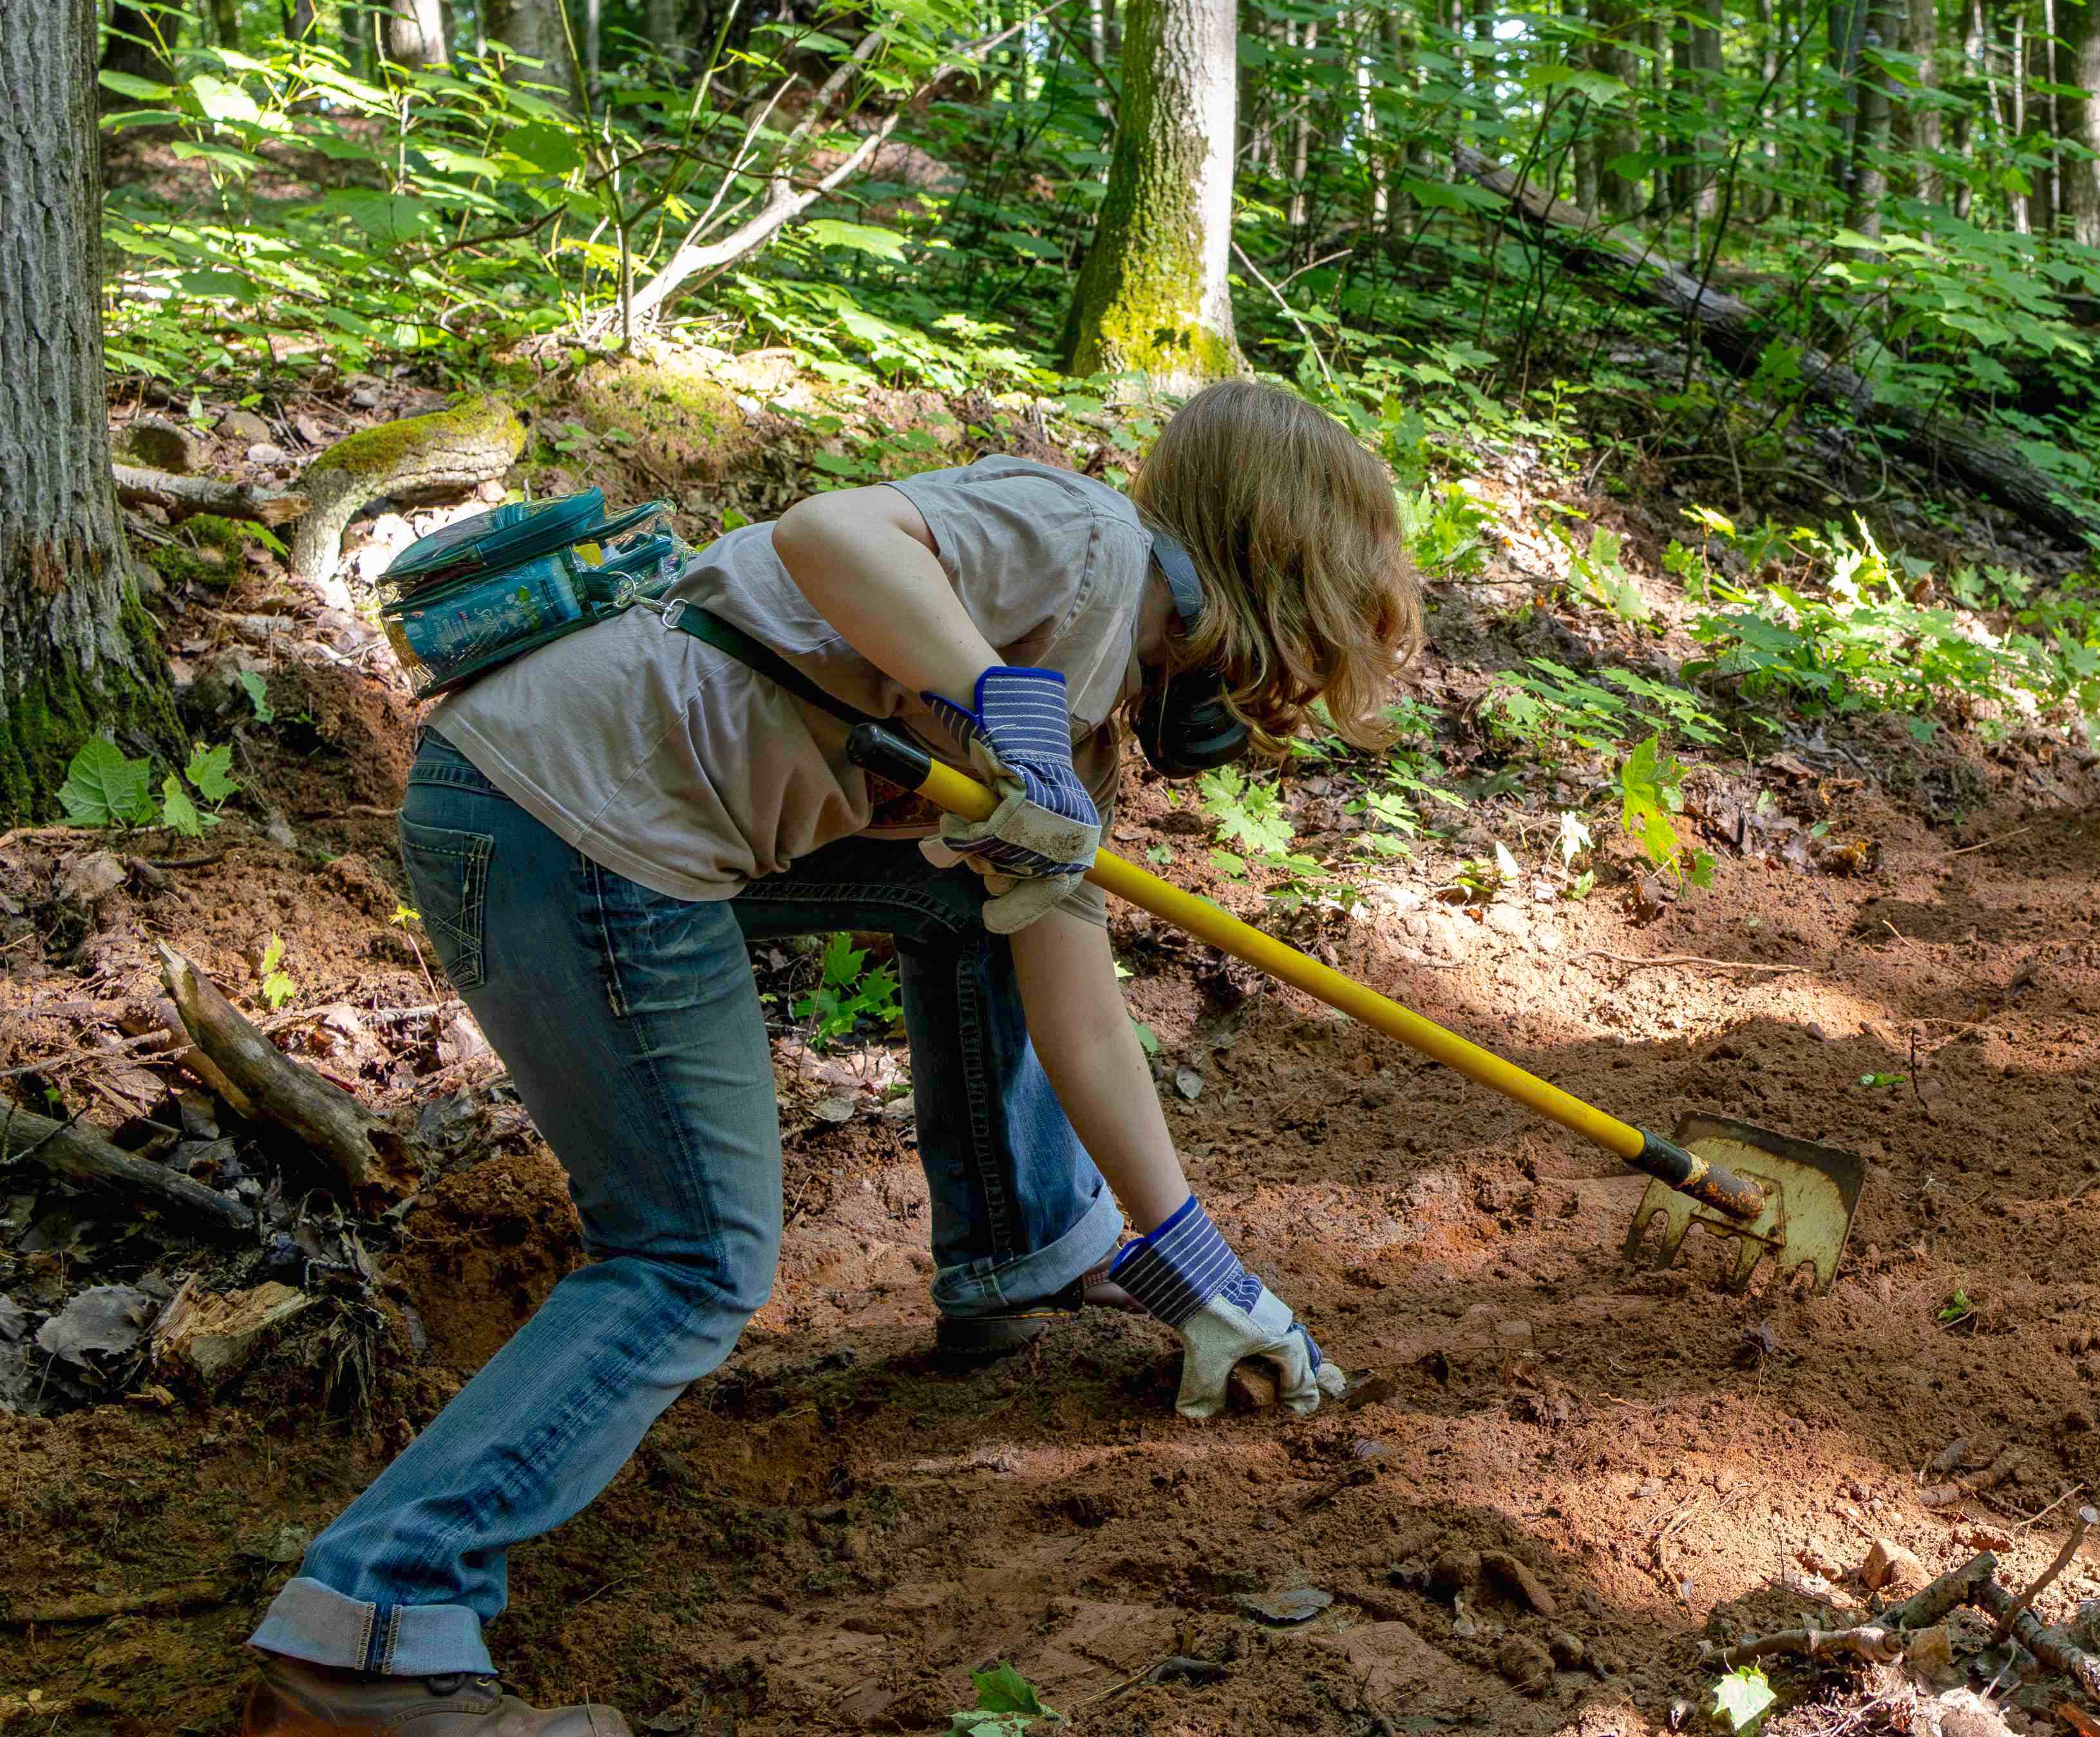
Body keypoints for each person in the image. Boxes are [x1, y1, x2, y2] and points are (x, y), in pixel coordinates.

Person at [241, 380, 1423, 1737]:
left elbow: (1074, 992)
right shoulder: (1087, 540)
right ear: (1287, 579)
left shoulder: (1080, 712)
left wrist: (1199, 1273)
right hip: (574, 824)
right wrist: (996, 700)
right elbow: (828, 535)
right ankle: (371, 1623)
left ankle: (1028, 1248)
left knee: (978, 898)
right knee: (693, 1256)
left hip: (552, 801)